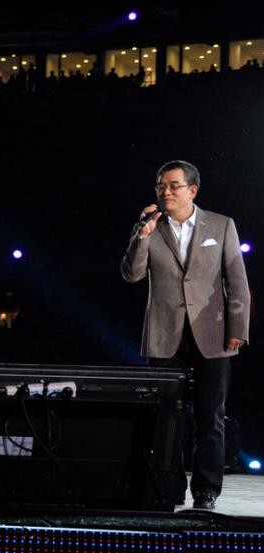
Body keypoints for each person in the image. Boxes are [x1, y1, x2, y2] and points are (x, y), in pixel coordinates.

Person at [121, 159, 250, 511]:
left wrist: (238, 327)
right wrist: (141, 235)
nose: (165, 192)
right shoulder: (150, 226)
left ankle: (206, 491)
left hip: (213, 333)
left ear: (192, 190)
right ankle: (169, 488)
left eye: (173, 185)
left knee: (211, 417)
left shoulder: (221, 225)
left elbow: (236, 280)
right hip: (164, 335)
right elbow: (131, 274)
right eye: (160, 186)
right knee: (166, 419)